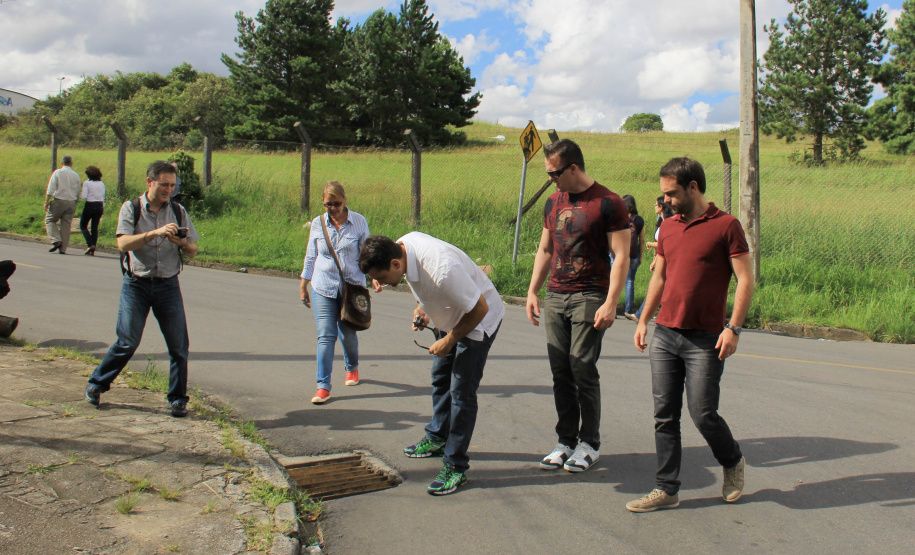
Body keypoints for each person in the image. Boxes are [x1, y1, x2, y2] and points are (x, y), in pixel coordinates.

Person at [627, 157, 754, 512]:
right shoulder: (667, 228)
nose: (665, 200)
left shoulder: (726, 226)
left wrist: (734, 328)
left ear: (693, 187)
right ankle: (666, 488)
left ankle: (732, 460)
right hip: (666, 333)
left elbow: (745, 279)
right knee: (664, 414)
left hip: (705, 339)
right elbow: (660, 276)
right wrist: (643, 319)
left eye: (671, 194)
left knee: (703, 413)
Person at [359, 233, 504, 495]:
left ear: (394, 263)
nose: (380, 283)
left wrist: (450, 340)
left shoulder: (442, 269)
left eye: (381, 278)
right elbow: (420, 285)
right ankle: (437, 437)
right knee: (440, 378)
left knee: (461, 393)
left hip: (478, 322)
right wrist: (422, 309)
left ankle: (455, 466)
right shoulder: (402, 247)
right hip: (451, 316)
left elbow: (480, 309)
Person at [526, 139, 630, 473]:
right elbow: (545, 250)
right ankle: (566, 441)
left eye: (555, 173)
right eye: (548, 173)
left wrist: (611, 302)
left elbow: (622, 256)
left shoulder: (609, 202)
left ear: (573, 168)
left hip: (590, 294)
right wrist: (533, 291)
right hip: (556, 294)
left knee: (582, 367)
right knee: (561, 371)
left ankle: (590, 443)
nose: (550, 179)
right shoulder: (553, 202)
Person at [84, 161, 200, 418]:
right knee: (127, 342)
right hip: (136, 284)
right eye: (163, 185)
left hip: (168, 285)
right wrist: (154, 233)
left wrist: (181, 242)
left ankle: (178, 399)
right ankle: (97, 383)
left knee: (179, 346)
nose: (168, 190)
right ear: (150, 182)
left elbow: (193, 249)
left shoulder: (178, 211)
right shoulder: (131, 208)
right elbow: (123, 244)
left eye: (172, 185)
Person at [300, 181, 370, 404]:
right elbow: (311, 255)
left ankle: (352, 366)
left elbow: (366, 254)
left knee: (347, 334)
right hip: (323, 286)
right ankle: (323, 386)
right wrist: (304, 283)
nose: (333, 209)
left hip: (351, 288)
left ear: (344, 200)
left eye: (336, 204)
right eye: (328, 205)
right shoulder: (318, 224)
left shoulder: (359, 222)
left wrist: (375, 276)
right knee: (326, 335)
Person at [628, 197, 673, 321]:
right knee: (659, 288)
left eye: (656, 204)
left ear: (661, 207)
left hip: (667, 260)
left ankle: (642, 314)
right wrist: (655, 259)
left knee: (658, 288)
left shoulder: (669, 223)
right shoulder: (661, 221)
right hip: (661, 258)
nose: (654, 206)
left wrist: (650, 244)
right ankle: (644, 314)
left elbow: (664, 243)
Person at [44, 154, 82, 254]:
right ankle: (63, 248)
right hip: (71, 201)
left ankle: (56, 240)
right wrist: (76, 200)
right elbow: (78, 190)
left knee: (50, 220)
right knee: (66, 225)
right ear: (71, 163)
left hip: (59, 200)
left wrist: (47, 201)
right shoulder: (76, 175)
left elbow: (51, 188)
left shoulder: (58, 172)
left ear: (61, 163)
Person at [621, 194, 645, 317]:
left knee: (615, 280)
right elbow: (642, 240)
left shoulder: (620, 218)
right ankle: (628, 310)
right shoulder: (639, 220)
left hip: (620, 254)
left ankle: (612, 307)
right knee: (630, 281)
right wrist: (640, 256)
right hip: (634, 254)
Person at [79, 165, 106, 256]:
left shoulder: (87, 183)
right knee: (94, 227)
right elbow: (103, 195)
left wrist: (79, 195)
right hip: (100, 205)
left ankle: (90, 244)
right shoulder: (101, 183)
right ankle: (93, 247)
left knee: (83, 225)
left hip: (90, 205)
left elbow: (84, 196)